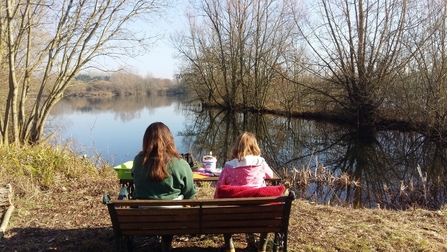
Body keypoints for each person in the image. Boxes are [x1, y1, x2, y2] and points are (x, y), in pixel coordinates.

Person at [131, 122, 197, 252]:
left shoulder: (138, 161)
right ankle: (166, 243)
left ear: (146, 141)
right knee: (171, 208)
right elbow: (190, 194)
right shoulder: (181, 164)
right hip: (174, 217)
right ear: (170, 140)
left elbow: (135, 179)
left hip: (144, 216)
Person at [214, 132, 274, 252]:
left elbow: (219, 190)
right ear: (255, 146)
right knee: (268, 206)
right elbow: (270, 175)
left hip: (233, 214)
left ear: (237, 147)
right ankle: (262, 247)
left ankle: (230, 246)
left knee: (225, 207)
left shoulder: (229, 167)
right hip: (261, 213)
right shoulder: (260, 163)